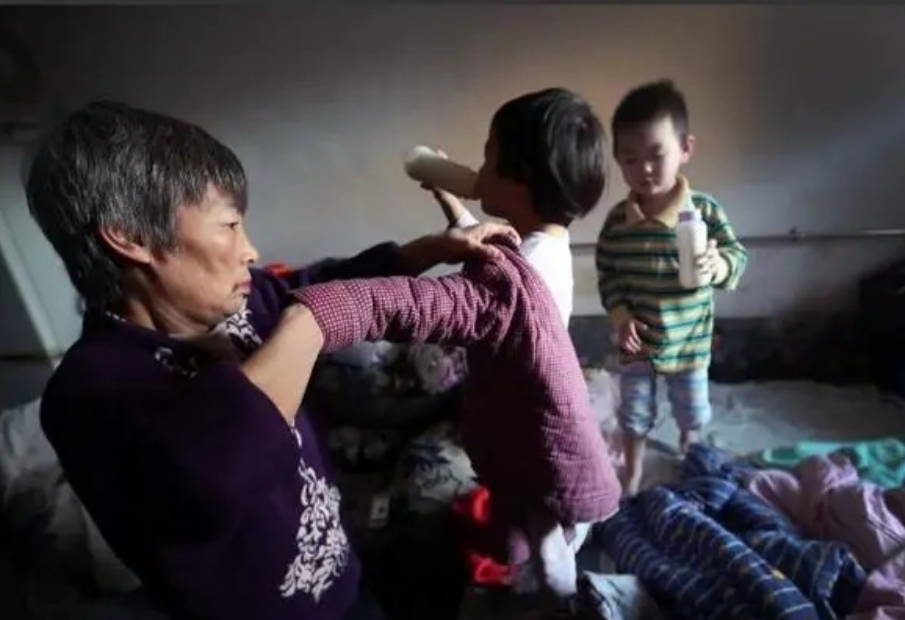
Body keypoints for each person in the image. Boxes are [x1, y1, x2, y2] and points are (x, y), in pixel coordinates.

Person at [24, 100, 517, 620]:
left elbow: (315, 286)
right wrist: (310, 323)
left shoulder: (241, 303)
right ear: (129, 237)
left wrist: (427, 251)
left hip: (346, 586)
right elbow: (217, 478)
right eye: (229, 225)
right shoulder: (89, 393)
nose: (251, 250)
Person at [287, 234, 621, 612]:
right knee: (526, 533)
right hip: (501, 437)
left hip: (526, 451)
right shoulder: (535, 260)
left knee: (543, 546)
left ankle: (558, 598)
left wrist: (315, 315)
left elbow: (406, 305)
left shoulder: (505, 281)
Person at [595, 79, 749, 495]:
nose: (643, 169)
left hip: (689, 342)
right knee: (633, 414)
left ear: (685, 149)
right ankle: (632, 470)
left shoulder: (705, 211)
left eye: (655, 155)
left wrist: (719, 265)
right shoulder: (617, 223)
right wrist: (619, 315)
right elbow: (608, 274)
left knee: (692, 411)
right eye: (630, 159)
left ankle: (688, 450)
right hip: (637, 341)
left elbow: (738, 257)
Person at [421, 87, 607, 327]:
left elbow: (453, 311)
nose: (480, 170)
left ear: (522, 178)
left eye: (488, 158)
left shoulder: (522, 271)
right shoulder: (546, 247)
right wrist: (449, 200)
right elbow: (485, 247)